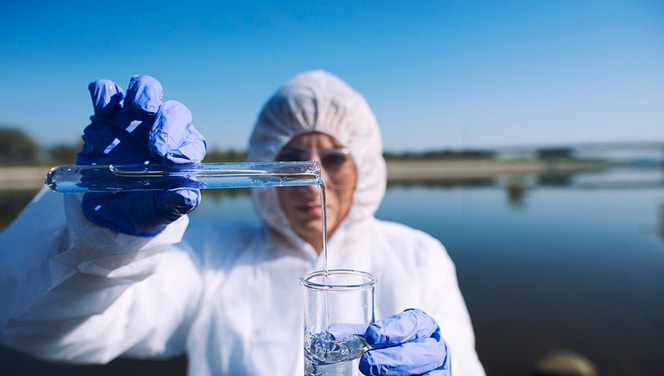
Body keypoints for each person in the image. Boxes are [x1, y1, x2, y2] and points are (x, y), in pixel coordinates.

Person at [0, 70, 485, 375]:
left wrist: (449, 370)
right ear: (265, 167)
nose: (307, 179)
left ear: (365, 168)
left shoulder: (418, 256)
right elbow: (37, 330)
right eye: (291, 159)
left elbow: (466, 365)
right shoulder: (214, 259)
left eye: (333, 160)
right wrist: (103, 241)